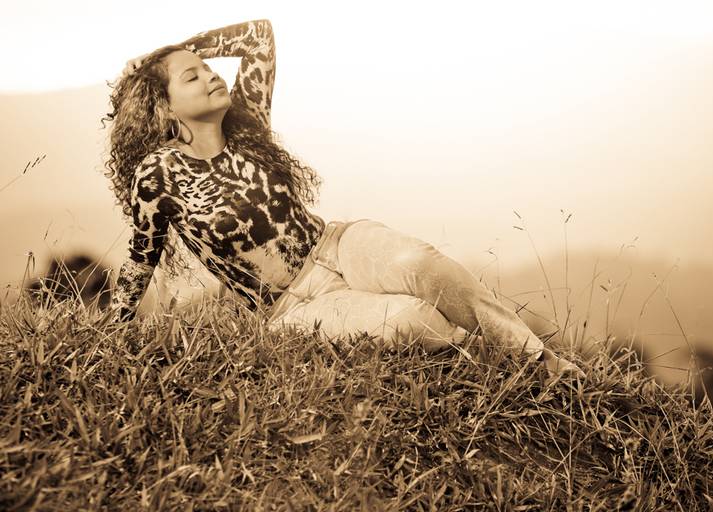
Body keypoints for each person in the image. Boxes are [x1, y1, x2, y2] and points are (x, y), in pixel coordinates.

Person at [103, 19, 582, 378]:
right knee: (409, 319)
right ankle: (483, 360)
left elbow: (258, 36)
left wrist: (176, 51)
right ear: (164, 107)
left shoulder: (247, 123)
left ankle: (542, 363)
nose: (211, 76)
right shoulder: (157, 175)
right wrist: (111, 335)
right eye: (192, 76)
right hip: (289, 307)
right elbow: (140, 260)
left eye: (208, 69)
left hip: (337, 245)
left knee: (425, 265)